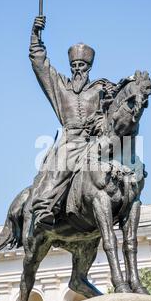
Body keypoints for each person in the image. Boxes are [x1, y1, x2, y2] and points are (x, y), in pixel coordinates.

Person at [29, 16, 116, 230]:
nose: (78, 69)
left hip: (94, 141)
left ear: (89, 67)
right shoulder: (60, 86)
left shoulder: (99, 87)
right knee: (61, 164)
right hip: (70, 142)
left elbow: (112, 112)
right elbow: (40, 64)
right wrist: (35, 35)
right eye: (75, 65)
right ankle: (44, 209)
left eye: (82, 65)